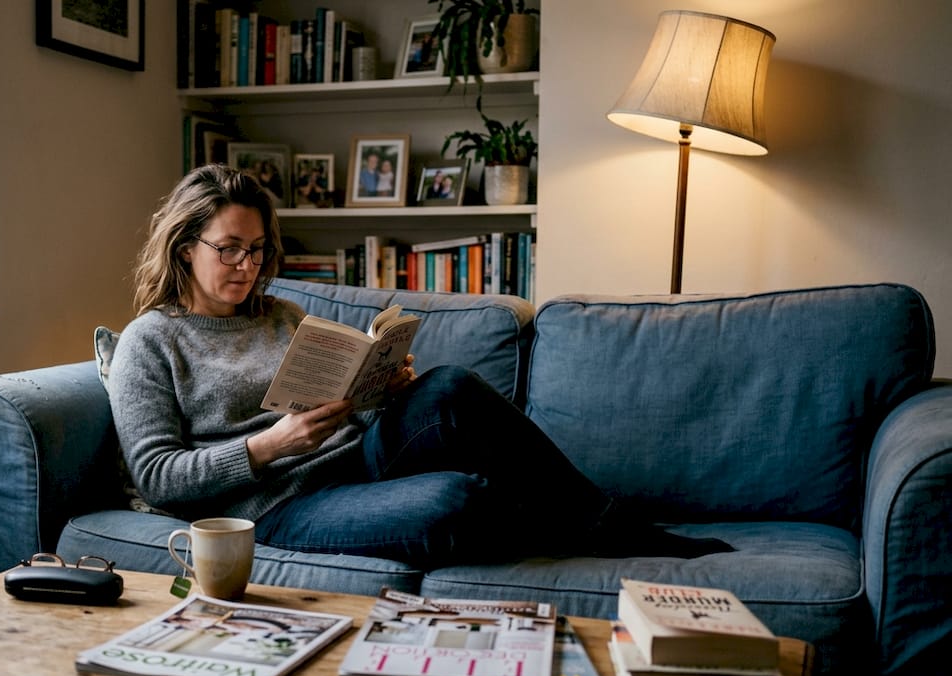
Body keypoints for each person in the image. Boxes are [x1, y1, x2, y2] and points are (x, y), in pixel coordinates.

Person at [108, 163, 733, 570]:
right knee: (456, 500)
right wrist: (269, 445)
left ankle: (611, 524)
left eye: (257, 249)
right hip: (275, 506)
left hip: (357, 459)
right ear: (185, 248)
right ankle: (574, 526)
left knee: (448, 386)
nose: (247, 266)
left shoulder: (282, 315)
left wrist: (377, 387)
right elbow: (158, 477)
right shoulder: (151, 341)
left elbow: (339, 407)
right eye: (228, 249)